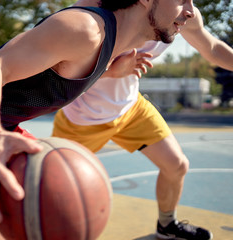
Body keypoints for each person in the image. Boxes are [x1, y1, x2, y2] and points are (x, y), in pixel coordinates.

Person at [0, 0, 196, 239]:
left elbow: (65, 73)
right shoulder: (84, 28)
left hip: (2, 130)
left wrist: (113, 72)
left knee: (56, 209)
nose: (190, 10)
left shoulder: (117, 45)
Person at [52, 0, 233, 239]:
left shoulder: (182, 15)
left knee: (176, 166)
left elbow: (212, 48)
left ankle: (166, 225)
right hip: (82, 119)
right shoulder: (97, 12)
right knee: (51, 185)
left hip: (131, 109)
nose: (190, 9)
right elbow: (57, 68)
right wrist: (111, 72)